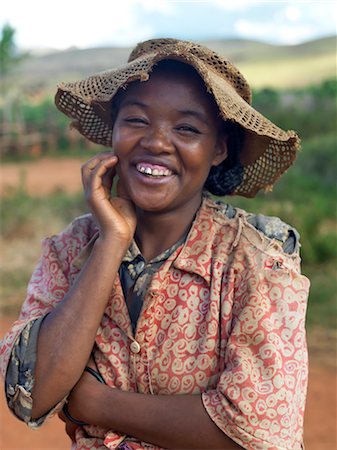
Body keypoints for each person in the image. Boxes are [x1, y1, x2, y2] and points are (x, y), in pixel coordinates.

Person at [0, 38, 310, 450]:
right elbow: (31, 395)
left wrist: (97, 403)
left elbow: (260, 431)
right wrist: (111, 242)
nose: (157, 142)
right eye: (137, 120)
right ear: (113, 130)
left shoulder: (256, 259)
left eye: (186, 128)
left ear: (218, 148)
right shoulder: (71, 250)